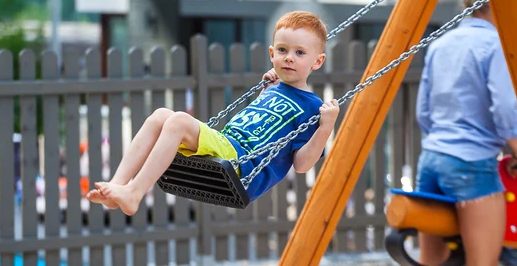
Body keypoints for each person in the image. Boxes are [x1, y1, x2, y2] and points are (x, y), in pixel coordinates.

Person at [86, 11, 341, 215]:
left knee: (178, 121)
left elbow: (302, 165)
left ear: (317, 62)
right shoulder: (272, 86)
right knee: (160, 115)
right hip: (225, 144)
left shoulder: (312, 106)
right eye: (283, 51)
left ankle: (134, 193)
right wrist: (268, 88)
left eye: (300, 53)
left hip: (241, 163)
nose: (289, 58)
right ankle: (118, 187)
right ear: (272, 54)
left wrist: (325, 127)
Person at [414, 0, 517, 266]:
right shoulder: (495, 46)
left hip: (431, 161)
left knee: (431, 262)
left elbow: (423, 113)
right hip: (471, 165)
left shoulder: (441, 43)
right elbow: (504, 107)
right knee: (483, 262)